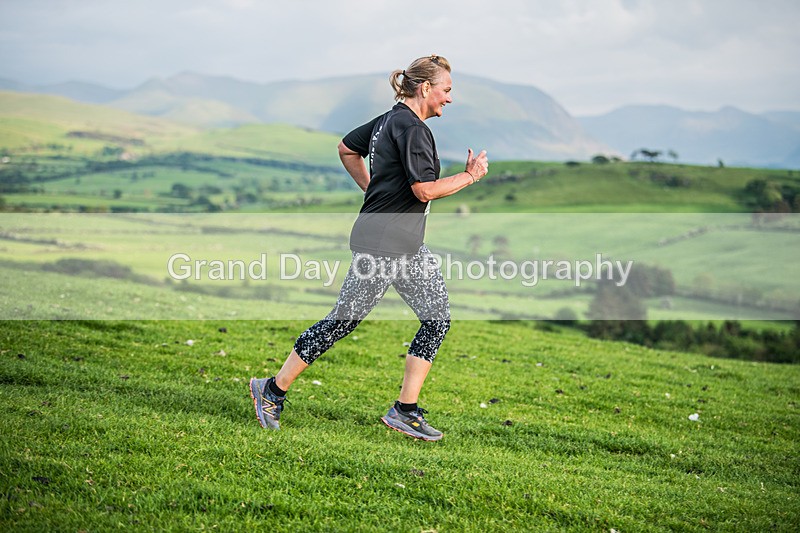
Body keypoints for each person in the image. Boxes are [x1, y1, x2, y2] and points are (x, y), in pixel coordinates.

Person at [250, 54, 489, 441]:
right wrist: (470, 176)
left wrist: (375, 191)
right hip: (382, 246)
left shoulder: (386, 121)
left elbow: (347, 148)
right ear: (426, 88)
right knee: (344, 319)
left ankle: (404, 410)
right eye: (446, 90)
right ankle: (271, 391)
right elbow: (424, 190)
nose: (449, 98)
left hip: (406, 245)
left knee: (437, 318)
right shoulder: (413, 129)